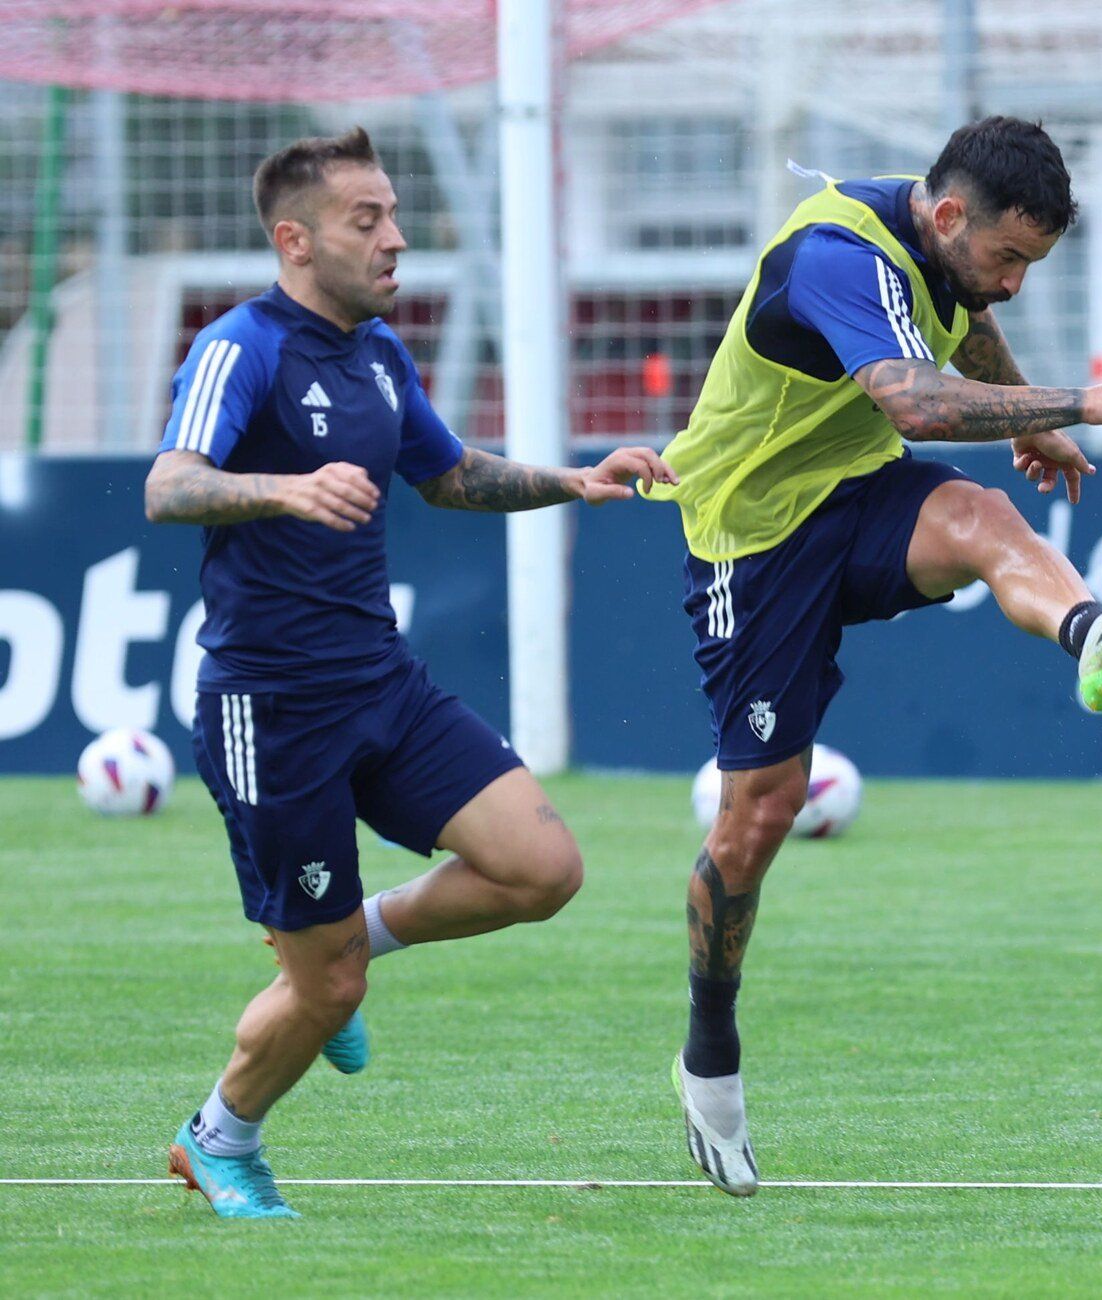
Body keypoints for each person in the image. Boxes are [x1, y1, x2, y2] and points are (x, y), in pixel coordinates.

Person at [644, 115, 1102, 1195]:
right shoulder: (835, 256)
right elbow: (914, 397)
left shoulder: (944, 238)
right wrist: (1079, 401)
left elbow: (965, 316)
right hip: (751, 539)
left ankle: (1091, 635)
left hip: (857, 494)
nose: (1014, 284)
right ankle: (708, 1051)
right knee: (758, 817)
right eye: (1009, 257)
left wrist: (1023, 423)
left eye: (1031, 264)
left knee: (986, 517)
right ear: (948, 215)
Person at [148, 127, 671, 1219]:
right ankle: (220, 1137)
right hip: (270, 709)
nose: (395, 237)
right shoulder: (241, 347)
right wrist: (283, 489)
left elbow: (449, 473)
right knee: (326, 986)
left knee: (542, 868)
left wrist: (575, 479)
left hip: (381, 684)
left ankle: (351, 937)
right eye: (367, 219)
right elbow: (170, 484)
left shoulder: (379, 352)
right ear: (295, 240)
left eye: (392, 214)